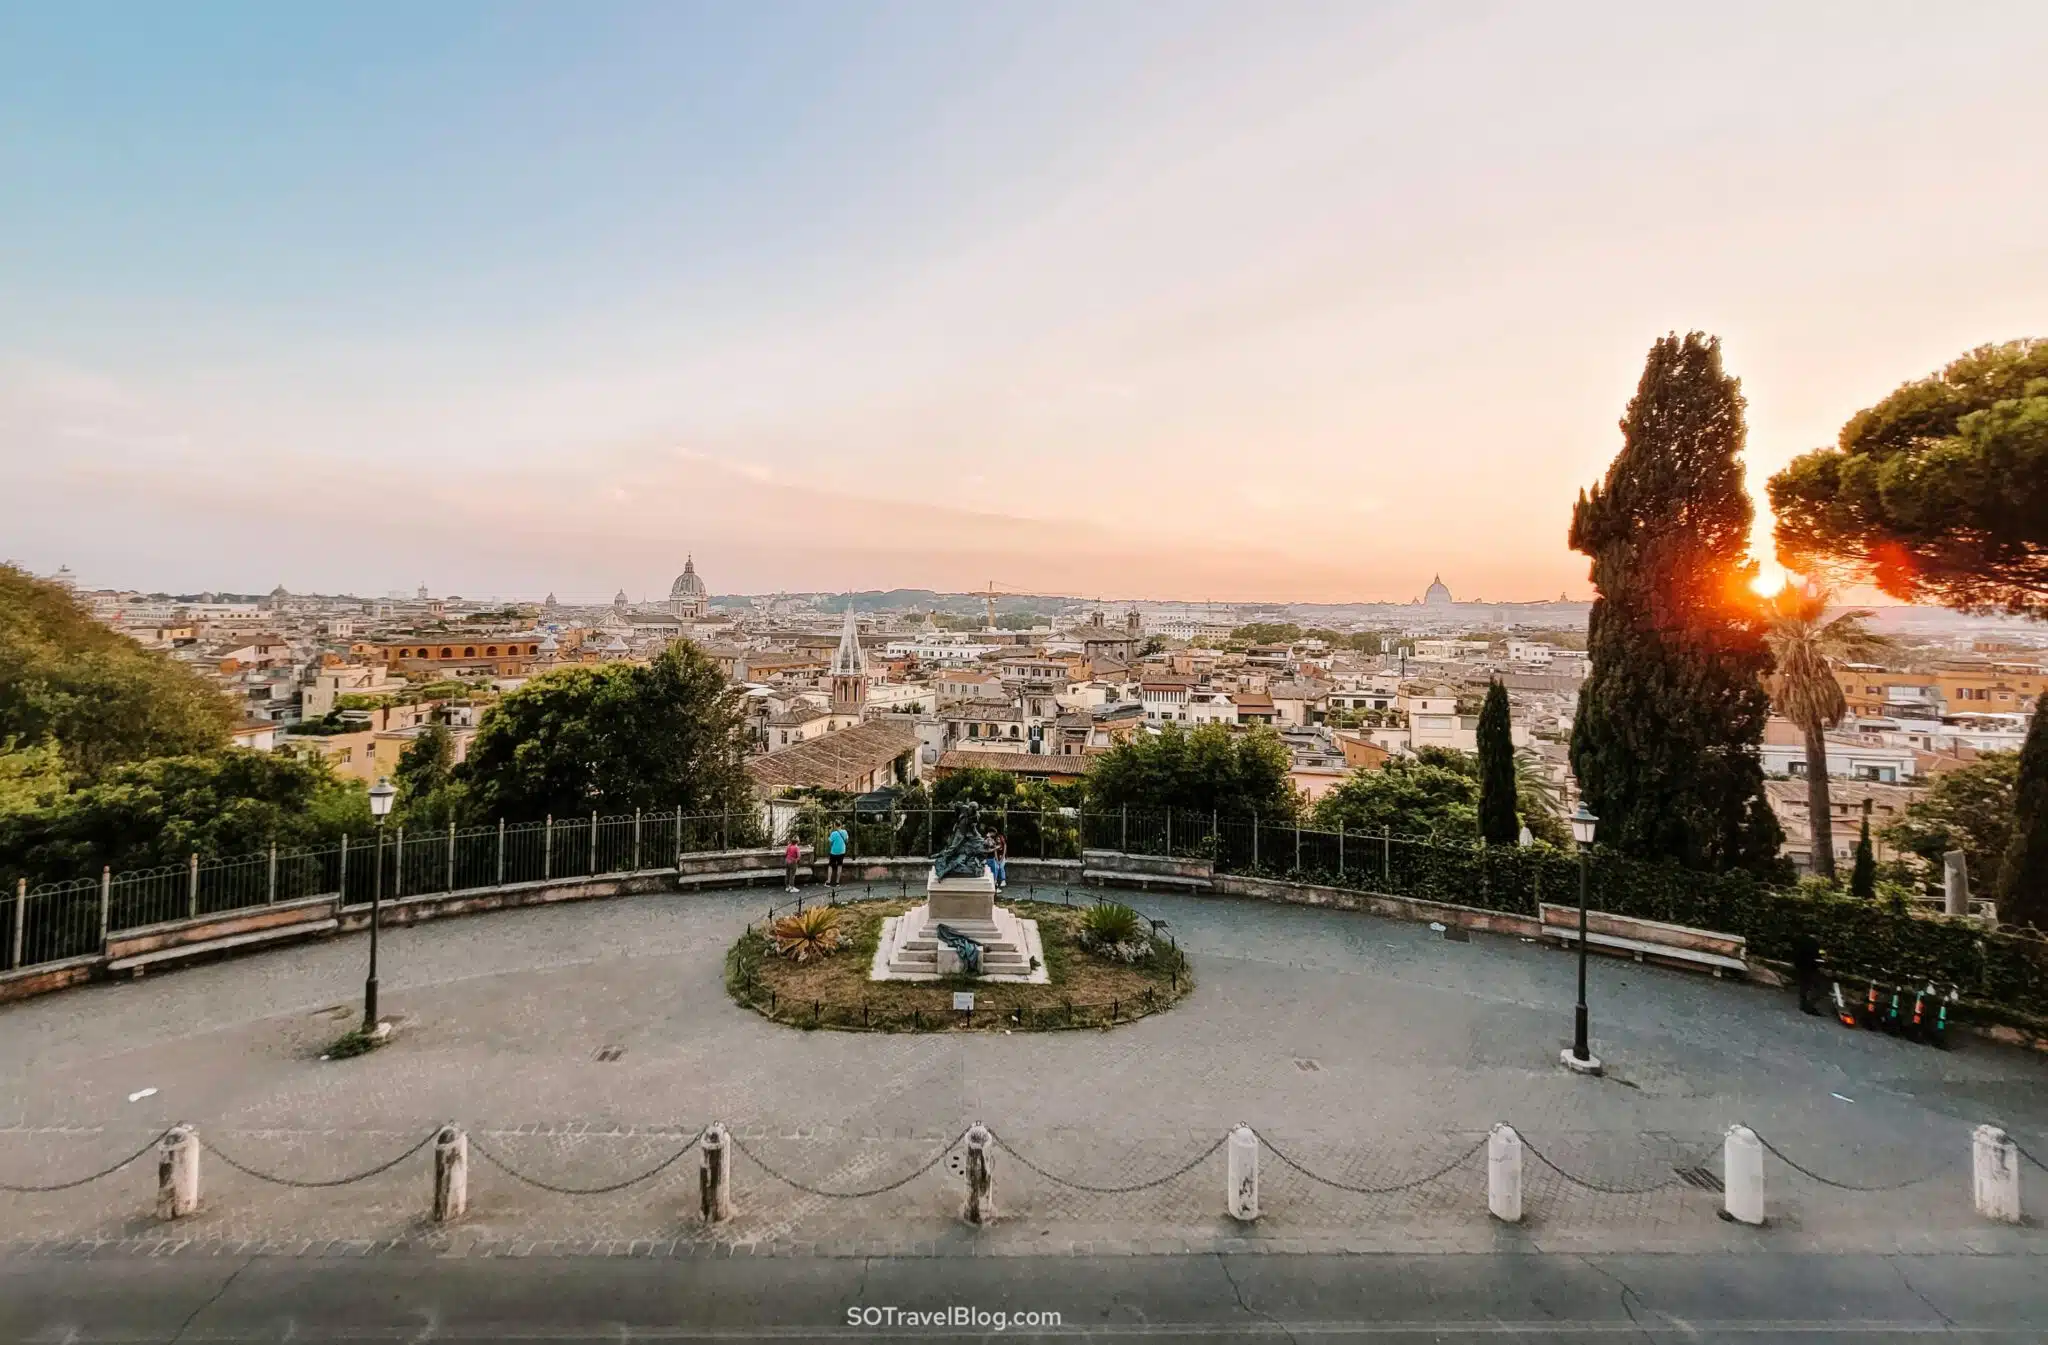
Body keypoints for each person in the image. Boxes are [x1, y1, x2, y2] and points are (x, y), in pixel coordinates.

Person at [1792, 931, 1823, 1016]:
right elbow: (1818, 957)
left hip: (1801, 968)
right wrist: (1821, 963)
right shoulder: (1815, 944)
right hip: (1810, 969)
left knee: (1804, 987)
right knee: (1819, 988)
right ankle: (1809, 1007)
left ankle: (1803, 1005)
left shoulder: (1801, 941)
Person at [827, 823, 848, 888]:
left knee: (830, 865)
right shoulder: (845, 832)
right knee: (839, 865)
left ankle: (828, 881)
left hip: (834, 851)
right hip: (842, 851)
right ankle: (837, 882)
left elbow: (830, 842)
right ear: (841, 825)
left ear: (835, 826)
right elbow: (847, 840)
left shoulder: (833, 833)